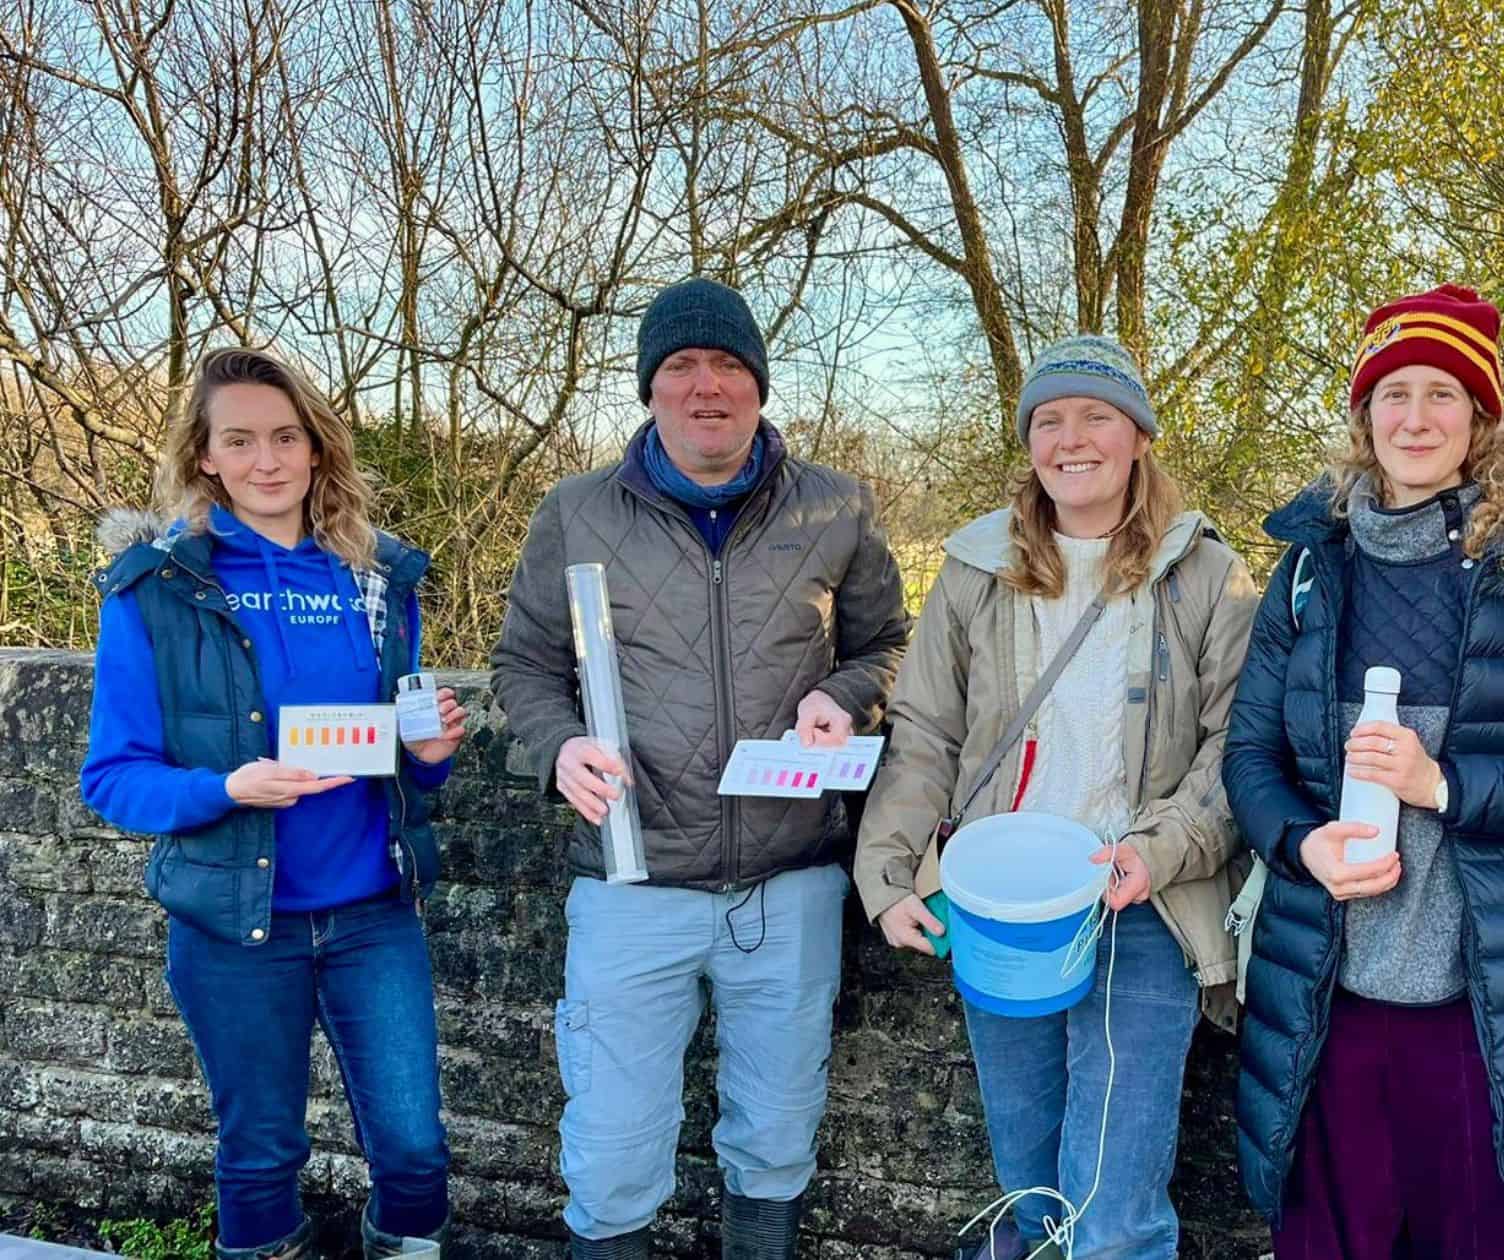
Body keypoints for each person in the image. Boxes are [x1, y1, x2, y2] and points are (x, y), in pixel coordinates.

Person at [1222, 284, 1504, 1259]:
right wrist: (1299, 843)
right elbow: (1248, 754)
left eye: (1442, 394)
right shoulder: (1307, 569)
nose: (1414, 417)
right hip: (1323, 1002)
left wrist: (1444, 786)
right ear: (1361, 416)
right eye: (1392, 393)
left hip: (1493, 1011)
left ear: (1480, 419)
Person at [489, 278, 912, 1260]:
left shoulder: (836, 508)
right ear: (650, 387)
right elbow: (523, 666)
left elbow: (887, 644)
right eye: (681, 366)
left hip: (791, 879)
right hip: (632, 880)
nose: (706, 386)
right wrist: (558, 745)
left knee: (774, 1137)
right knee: (612, 1146)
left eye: (727, 365)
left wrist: (843, 699)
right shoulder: (576, 512)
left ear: (759, 385)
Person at [854, 335, 1257, 1260]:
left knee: (1112, 1213)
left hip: (1142, 904)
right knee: (1031, 1186)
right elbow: (923, 736)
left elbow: (1239, 746)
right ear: (1029, 441)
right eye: (1050, 419)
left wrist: (1158, 849)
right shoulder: (973, 570)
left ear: (1139, 437)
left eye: (1097, 415)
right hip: (1002, 909)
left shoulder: (1206, 574)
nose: (1072, 438)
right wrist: (886, 878)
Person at [81, 346, 467, 1260]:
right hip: (234, 926)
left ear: (316, 448)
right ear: (205, 456)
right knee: (260, 1155)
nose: (267, 460)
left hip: (373, 913)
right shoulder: (158, 590)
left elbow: (399, 755)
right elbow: (112, 775)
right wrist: (226, 787)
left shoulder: (379, 583)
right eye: (240, 440)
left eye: (286, 437)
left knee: (415, 1154)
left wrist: (430, 756)